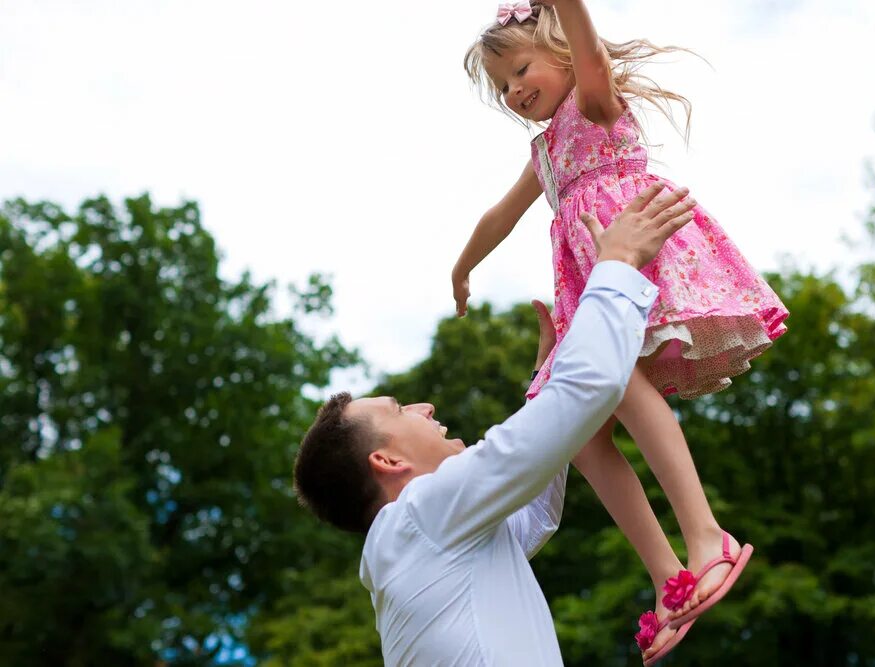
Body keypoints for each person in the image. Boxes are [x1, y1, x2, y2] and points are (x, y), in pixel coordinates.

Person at [456, 1, 790, 661]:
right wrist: (463, 266)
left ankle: (707, 533)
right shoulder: (545, 151)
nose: (514, 90)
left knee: (624, 382)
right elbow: (500, 214)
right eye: (502, 87)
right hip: (590, 286)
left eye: (519, 69)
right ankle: (670, 574)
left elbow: (592, 52)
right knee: (578, 435)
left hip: (636, 255)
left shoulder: (594, 100)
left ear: (557, 52)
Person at [294, 183, 695, 666]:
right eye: (400, 410)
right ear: (387, 460)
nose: (425, 408)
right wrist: (618, 263)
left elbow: (534, 516)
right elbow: (588, 389)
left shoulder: (423, 543)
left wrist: (543, 384)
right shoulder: (418, 518)